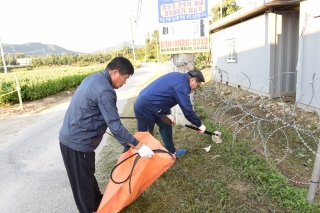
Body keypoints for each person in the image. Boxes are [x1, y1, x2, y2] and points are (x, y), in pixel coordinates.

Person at [59, 57, 154, 213]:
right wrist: (139, 146)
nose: (125, 83)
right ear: (115, 72)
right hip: (77, 144)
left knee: (87, 179)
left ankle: (99, 205)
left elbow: (108, 120)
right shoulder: (105, 90)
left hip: (72, 139)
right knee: (83, 188)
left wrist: (126, 144)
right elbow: (115, 125)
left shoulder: (94, 78)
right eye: (125, 78)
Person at [133, 68, 206, 157]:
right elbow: (187, 110)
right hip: (144, 106)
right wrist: (199, 124)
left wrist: (168, 113)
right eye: (197, 85)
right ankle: (144, 159)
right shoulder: (182, 86)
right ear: (193, 80)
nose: (196, 88)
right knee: (146, 135)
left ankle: (171, 152)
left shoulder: (178, 76)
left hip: (156, 105)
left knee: (166, 122)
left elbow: (164, 95)